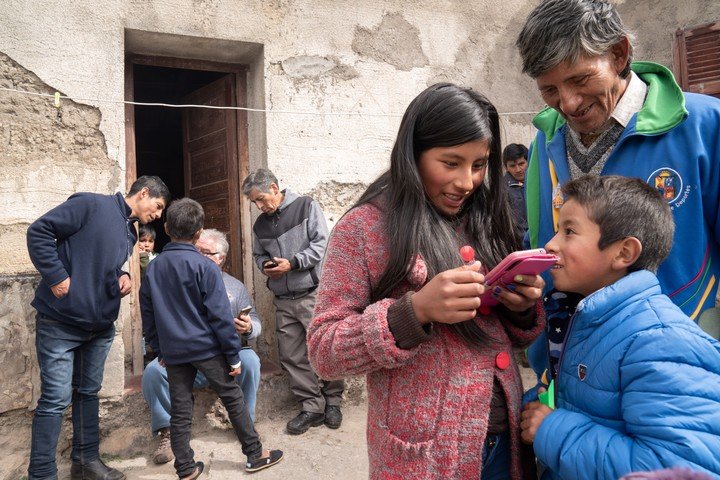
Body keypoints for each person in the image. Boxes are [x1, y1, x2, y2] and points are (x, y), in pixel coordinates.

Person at [307, 83, 546, 479]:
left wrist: (520, 309)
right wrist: (413, 312)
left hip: (506, 442)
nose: (467, 182)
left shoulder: (485, 217)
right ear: (413, 154)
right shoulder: (365, 228)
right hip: (426, 456)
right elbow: (323, 350)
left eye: (479, 164)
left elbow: (504, 337)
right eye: (450, 163)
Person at [515, 0, 720, 389]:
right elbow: (541, 245)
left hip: (673, 368)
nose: (568, 103)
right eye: (550, 89)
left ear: (619, 53)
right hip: (571, 367)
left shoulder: (704, 126)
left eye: (579, 80)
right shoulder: (544, 144)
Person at [520, 175, 720, 479]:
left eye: (569, 231)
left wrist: (552, 430)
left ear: (624, 253)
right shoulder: (589, 317)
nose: (550, 243)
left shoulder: (659, 341)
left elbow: (682, 469)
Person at [26, 175, 170, 480]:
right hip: (60, 324)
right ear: (143, 193)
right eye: (157, 206)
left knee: (88, 393)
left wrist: (123, 276)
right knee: (54, 400)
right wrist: (55, 276)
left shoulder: (130, 230)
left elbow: (102, 262)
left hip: (100, 327)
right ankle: (41, 474)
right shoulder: (90, 204)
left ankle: (86, 463)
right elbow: (38, 231)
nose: (157, 215)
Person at [141, 199, 282, 477]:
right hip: (207, 349)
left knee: (180, 408)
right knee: (232, 396)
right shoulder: (205, 268)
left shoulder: (154, 268)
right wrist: (232, 356)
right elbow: (219, 317)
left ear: (166, 228)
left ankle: (186, 468)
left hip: (174, 352)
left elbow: (148, 313)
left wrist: (159, 349)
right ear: (198, 234)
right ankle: (255, 454)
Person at [241, 168, 344, 435]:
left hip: (312, 292)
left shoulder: (306, 206)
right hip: (283, 297)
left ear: (275, 188)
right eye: (254, 202)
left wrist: (295, 263)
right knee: (292, 354)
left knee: (324, 347)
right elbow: (258, 253)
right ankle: (312, 406)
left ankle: (333, 401)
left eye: (262, 199)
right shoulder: (259, 224)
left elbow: (322, 245)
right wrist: (266, 266)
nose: (260, 206)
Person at [502, 143, 529, 233]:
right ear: (506, 168)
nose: (518, 170)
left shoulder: (539, 182)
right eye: (512, 166)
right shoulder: (502, 189)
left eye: (521, 164)